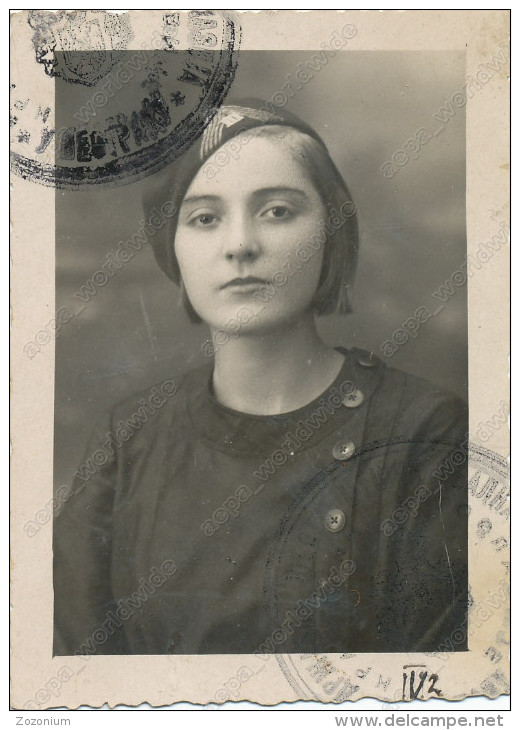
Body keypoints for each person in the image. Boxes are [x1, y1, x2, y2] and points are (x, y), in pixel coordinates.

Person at [54, 100, 468, 656]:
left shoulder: (425, 436)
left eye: (276, 211)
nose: (239, 244)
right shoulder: (126, 443)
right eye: (204, 218)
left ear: (331, 231)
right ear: (173, 250)